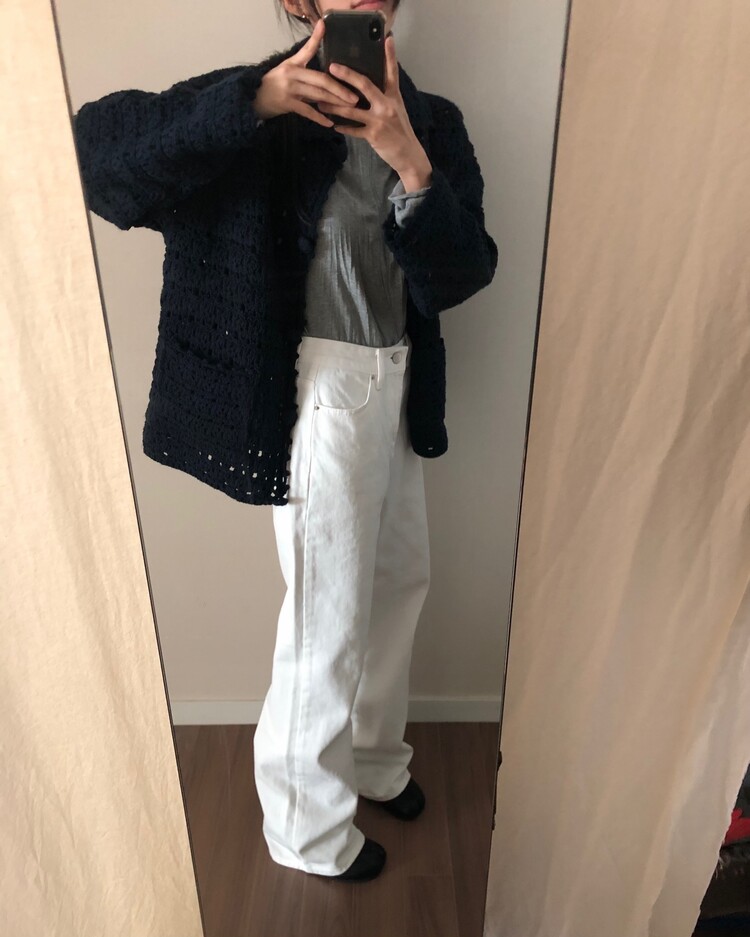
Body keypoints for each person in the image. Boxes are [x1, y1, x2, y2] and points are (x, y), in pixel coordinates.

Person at [72, 0, 497, 884]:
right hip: (318, 392)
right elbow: (97, 158)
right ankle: (306, 826)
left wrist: (410, 161)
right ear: (301, 4)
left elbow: (462, 272)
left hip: (399, 380)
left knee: (398, 584)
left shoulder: (434, 121)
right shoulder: (248, 109)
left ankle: (373, 758)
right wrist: (256, 102)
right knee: (326, 614)